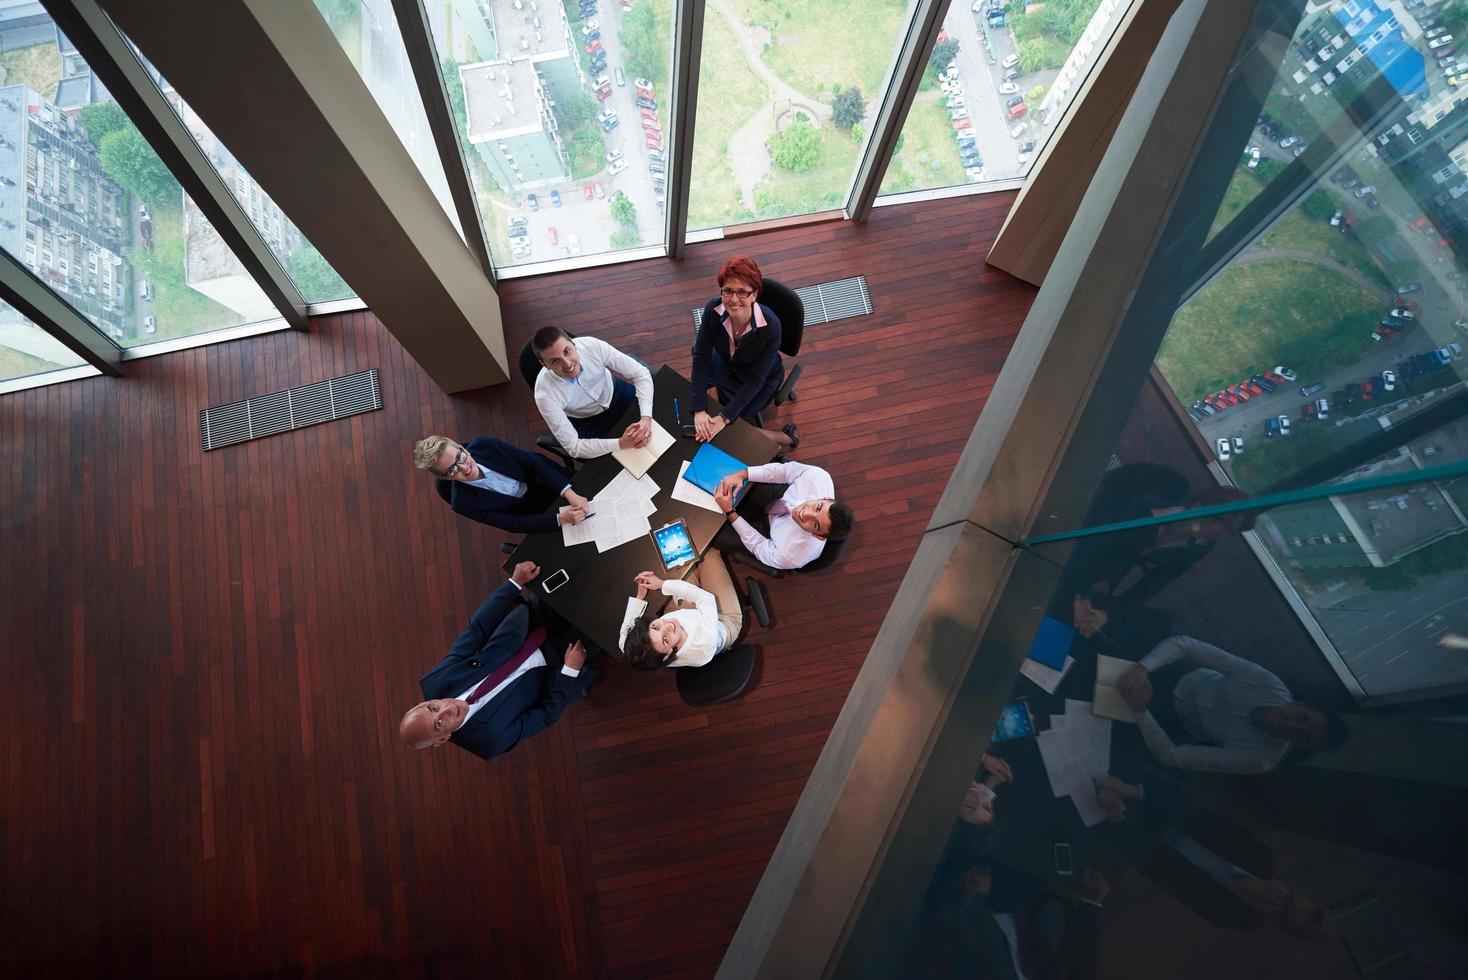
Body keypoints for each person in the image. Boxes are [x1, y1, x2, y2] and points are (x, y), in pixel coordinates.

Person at [398, 561, 593, 762]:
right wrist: (570, 671)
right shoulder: (489, 741)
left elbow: (477, 630)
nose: (447, 709)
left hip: (530, 623)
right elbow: (545, 715)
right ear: (441, 740)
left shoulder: (437, 681)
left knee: (582, 573)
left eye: (434, 708)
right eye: (439, 724)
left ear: (426, 702)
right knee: (609, 615)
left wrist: (514, 583)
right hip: (558, 664)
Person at [1092, 774, 1325, 934]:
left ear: (1275, 922)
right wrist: (1134, 792)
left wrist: (1118, 818)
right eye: (1289, 896)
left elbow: (1157, 871)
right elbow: (1195, 814)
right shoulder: (1259, 855)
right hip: (1150, 804)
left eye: (1282, 912)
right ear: (1289, 885)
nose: (1278, 898)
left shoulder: (1231, 915)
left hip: (1130, 835)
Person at [1063, 463, 1255, 638]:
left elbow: (1151, 585)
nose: (1217, 531)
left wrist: (1107, 616)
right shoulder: (1148, 510)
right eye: (1219, 519)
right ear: (1201, 505)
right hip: (1070, 553)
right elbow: (1092, 542)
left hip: (1097, 577)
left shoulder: (1200, 546)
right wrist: (1082, 594)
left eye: (1228, 530)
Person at [1117, 635, 1347, 774]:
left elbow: (1171, 756)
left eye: (1301, 737)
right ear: (1299, 703)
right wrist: (1142, 668)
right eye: (1301, 718)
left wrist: (1141, 711)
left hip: (1169, 722)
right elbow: (1186, 644)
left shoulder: (1261, 759)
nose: (1290, 725)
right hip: (1174, 675)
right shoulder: (1268, 683)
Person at [690, 255, 798, 450]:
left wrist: (724, 418)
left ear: (754, 295)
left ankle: (783, 437)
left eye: (742, 292)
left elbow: (756, 380)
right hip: (726, 365)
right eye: (728, 291)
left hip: (758, 380)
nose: (733, 300)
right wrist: (699, 410)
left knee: (732, 425)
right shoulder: (712, 309)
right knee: (702, 407)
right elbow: (701, 357)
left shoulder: (771, 326)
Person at [412, 434, 591, 534]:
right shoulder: (463, 504)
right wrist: (561, 519)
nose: (464, 468)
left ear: (463, 448)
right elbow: (514, 524)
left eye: (461, 457)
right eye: (452, 470)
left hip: (552, 481)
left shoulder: (485, 445)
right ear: (446, 478)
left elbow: (533, 463)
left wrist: (569, 493)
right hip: (538, 513)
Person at [530, 326, 655, 460]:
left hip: (617, 394)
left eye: (567, 351)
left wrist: (646, 418)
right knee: (619, 463)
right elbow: (574, 448)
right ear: (544, 365)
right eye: (555, 360)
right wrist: (621, 443)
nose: (567, 364)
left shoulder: (592, 346)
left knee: (660, 423)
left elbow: (641, 374)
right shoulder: (544, 394)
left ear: (573, 343)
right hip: (588, 421)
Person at [712, 461, 853, 570]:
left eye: (815, 524)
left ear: (819, 536)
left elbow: (758, 545)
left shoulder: (794, 556)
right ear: (825, 499)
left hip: (768, 536)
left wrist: (730, 512)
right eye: (818, 507)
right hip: (779, 499)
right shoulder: (818, 477)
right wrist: (742, 474)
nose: (806, 513)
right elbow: (784, 472)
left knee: (713, 535)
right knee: (728, 474)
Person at [616, 550, 743, 669]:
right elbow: (705, 598)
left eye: (655, 627)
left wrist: (640, 596)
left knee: (681, 559)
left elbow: (625, 635)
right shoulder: (704, 643)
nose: (668, 626)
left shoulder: (633, 650)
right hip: (724, 621)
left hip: (689, 615)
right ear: (667, 655)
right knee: (708, 554)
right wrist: (661, 584)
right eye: (665, 639)